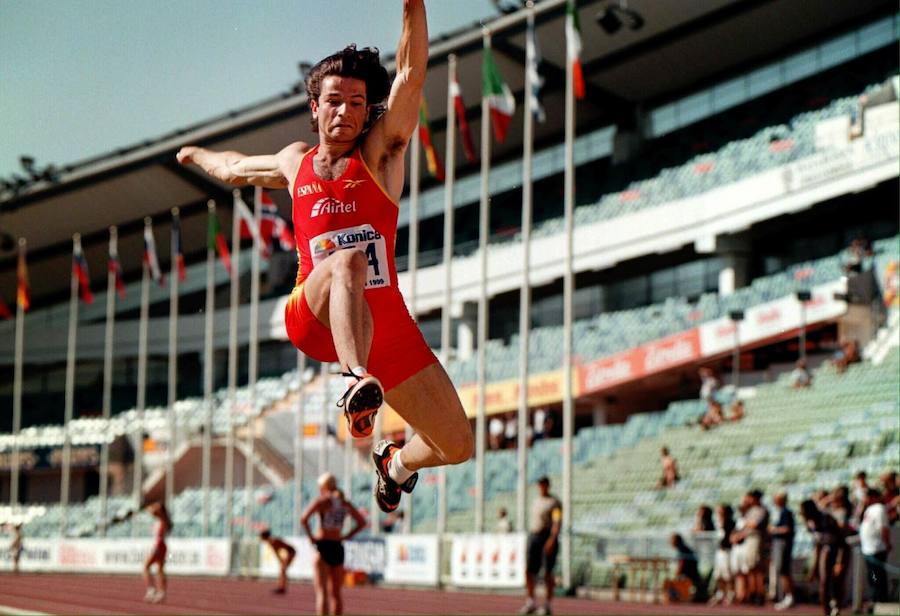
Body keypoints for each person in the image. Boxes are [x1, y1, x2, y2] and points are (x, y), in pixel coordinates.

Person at [176, 0, 473, 516]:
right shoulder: (296, 162)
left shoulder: (381, 152)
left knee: (457, 443)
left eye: (358, 103)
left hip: (385, 323)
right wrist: (195, 155)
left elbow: (411, 72)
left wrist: (413, 6)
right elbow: (235, 169)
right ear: (314, 107)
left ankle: (395, 466)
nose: (346, 112)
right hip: (312, 315)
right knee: (347, 261)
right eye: (335, 101)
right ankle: (356, 381)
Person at [301, 473, 366, 616]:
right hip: (337, 546)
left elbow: (304, 518)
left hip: (323, 546)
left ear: (323, 486)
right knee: (336, 594)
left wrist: (311, 537)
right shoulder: (345, 503)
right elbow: (362, 522)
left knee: (322, 593)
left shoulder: (322, 501)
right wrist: (346, 536)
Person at [521, 476, 561, 616]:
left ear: (548, 486)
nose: (541, 488)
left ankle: (547, 604)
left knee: (547, 573)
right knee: (529, 571)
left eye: (543, 485)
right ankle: (531, 601)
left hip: (547, 537)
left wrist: (552, 539)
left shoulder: (554, 502)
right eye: (539, 485)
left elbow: (556, 522)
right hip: (534, 537)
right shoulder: (536, 501)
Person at [799, 499, 846, 616]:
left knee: (836, 582)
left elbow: (841, 540)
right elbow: (818, 544)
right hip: (825, 550)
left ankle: (837, 607)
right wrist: (813, 567)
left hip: (838, 549)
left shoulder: (826, 519)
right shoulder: (810, 524)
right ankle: (826, 612)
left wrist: (839, 562)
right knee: (824, 583)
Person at [858, 488, 891, 608]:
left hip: (877, 547)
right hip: (868, 548)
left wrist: (886, 543)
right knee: (872, 575)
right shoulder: (869, 509)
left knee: (877, 575)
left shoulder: (880, 508)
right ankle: (875, 598)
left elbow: (884, 528)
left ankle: (880, 599)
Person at [770, 492, 796, 611]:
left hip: (783, 544)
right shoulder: (779, 512)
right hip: (779, 544)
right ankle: (786, 595)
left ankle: (789, 595)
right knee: (781, 570)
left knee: (783, 570)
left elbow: (787, 529)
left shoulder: (786, 512)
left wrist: (773, 530)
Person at [142, 501, 172, 604]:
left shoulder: (163, 519)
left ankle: (151, 590)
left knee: (146, 566)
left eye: (157, 507)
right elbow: (151, 510)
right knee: (160, 570)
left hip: (159, 545)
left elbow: (151, 510)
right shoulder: (161, 519)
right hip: (162, 546)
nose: (154, 508)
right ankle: (162, 593)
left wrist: (146, 507)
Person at [664, 534, 706, 602]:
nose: (670, 542)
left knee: (670, 582)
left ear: (676, 541)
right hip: (691, 573)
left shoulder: (682, 549)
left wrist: (677, 575)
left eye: (671, 540)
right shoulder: (683, 548)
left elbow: (682, 564)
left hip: (689, 574)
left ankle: (676, 597)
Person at [708, 504, 736, 606]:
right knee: (718, 574)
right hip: (720, 551)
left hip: (727, 551)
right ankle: (720, 593)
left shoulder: (730, 523)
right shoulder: (718, 523)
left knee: (727, 574)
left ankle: (730, 594)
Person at [259, 529, 297, 594]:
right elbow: (278, 552)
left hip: (291, 551)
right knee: (282, 569)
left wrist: (281, 561)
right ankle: (281, 586)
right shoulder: (271, 541)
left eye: (261, 536)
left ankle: (282, 587)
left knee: (283, 569)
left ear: (264, 536)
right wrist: (281, 561)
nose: (260, 538)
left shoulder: (272, 541)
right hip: (289, 551)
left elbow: (277, 553)